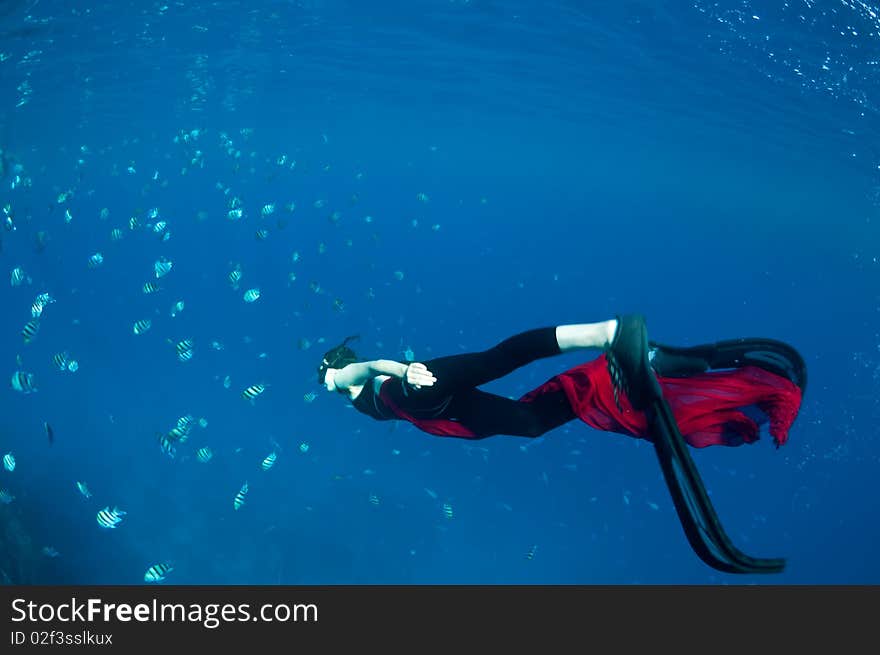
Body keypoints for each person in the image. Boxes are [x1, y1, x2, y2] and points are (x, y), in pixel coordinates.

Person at [317, 315, 805, 449]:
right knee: (527, 417)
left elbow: (366, 368)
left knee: (503, 360)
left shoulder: (341, 380)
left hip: (419, 391)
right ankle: (632, 358)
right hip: (442, 407)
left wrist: (403, 370)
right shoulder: (357, 396)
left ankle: (610, 334)